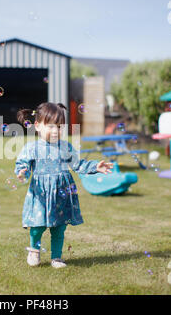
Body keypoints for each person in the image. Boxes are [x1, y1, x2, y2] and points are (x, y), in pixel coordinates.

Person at [14, 102, 113, 268]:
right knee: (38, 225)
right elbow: (22, 165)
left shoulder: (65, 147)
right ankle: (34, 250)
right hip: (41, 193)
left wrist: (95, 166)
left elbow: (78, 165)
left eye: (59, 127)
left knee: (59, 228)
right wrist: (21, 172)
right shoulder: (32, 148)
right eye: (51, 126)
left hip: (62, 193)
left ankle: (57, 257)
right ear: (37, 126)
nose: (55, 131)